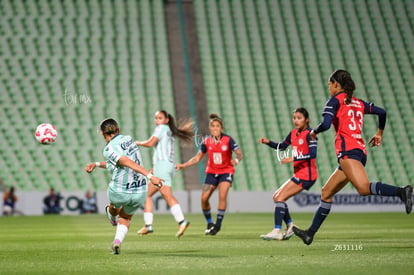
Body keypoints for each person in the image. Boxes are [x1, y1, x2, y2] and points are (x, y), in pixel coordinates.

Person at [293, 69, 413, 245]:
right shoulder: (358, 102)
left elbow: (326, 124)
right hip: (358, 150)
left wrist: (313, 131)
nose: (329, 87)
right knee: (326, 192)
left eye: (329, 83)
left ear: (335, 84)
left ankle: (402, 192)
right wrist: (379, 133)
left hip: (347, 151)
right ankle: (310, 233)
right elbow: (382, 112)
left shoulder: (334, 101)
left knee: (363, 188)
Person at [85, 118, 163, 254]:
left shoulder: (108, 149)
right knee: (125, 218)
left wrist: (150, 176)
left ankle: (112, 215)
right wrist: (97, 164)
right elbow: (118, 162)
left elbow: (127, 162)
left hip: (120, 190)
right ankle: (117, 242)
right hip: (139, 191)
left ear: (103, 135)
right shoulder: (128, 139)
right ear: (118, 130)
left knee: (113, 207)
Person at [176, 114, 243, 235]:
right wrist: (183, 165)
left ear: (221, 128)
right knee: (204, 199)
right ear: (210, 128)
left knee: (222, 196)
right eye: (213, 126)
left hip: (226, 172)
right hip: (211, 172)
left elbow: (239, 153)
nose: (215, 128)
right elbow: (197, 158)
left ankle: (217, 225)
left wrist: (236, 160)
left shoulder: (228, 140)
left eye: (218, 126)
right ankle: (209, 223)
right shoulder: (207, 141)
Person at [259, 107, 318, 241]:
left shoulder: (310, 134)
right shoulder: (293, 133)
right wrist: (268, 142)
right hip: (300, 173)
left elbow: (313, 154)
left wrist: (293, 158)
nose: (296, 121)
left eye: (299, 118)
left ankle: (277, 230)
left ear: (306, 120)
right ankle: (290, 226)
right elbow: (282, 146)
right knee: (276, 196)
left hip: (307, 175)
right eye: (294, 118)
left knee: (280, 198)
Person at [135, 110, 193, 237]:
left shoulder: (162, 128)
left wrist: (138, 143)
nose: (157, 120)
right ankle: (148, 225)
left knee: (167, 196)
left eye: (160, 118)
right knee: (146, 195)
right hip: (167, 166)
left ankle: (182, 221)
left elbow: (150, 143)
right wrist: (155, 168)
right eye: (156, 118)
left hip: (163, 165)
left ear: (166, 120)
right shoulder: (169, 131)